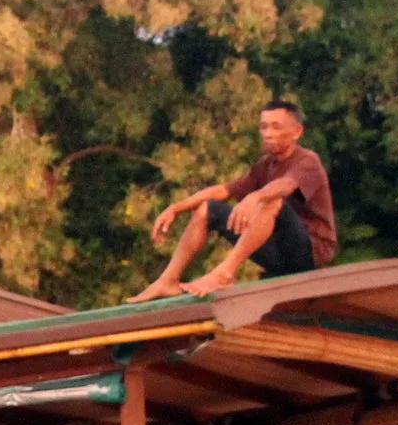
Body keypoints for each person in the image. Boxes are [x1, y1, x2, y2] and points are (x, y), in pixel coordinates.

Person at [131, 99, 336, 300]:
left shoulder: (308, 160)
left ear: (296, 132)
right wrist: (176, 208)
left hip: (309, 254)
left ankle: (225, 273)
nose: (268, 134)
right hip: (277, 254)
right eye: (263, 127)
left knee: (272, 201)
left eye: (276, 127)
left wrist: (254, 197)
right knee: (207, 208)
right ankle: (168, 280)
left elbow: (285, 186)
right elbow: (224, 190)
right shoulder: (265, 165)